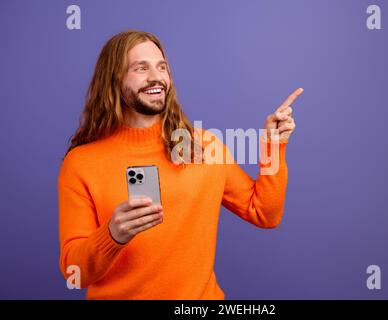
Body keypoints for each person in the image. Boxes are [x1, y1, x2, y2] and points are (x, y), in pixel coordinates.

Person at [58, 30, 303, 299]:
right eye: (141, 68)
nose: (156, 77)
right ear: (114, 79)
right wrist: (112, 235)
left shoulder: (205, 147)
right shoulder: (81, 163)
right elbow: (73, 271)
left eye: (161, 67)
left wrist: (273, 146)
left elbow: (264, 213)